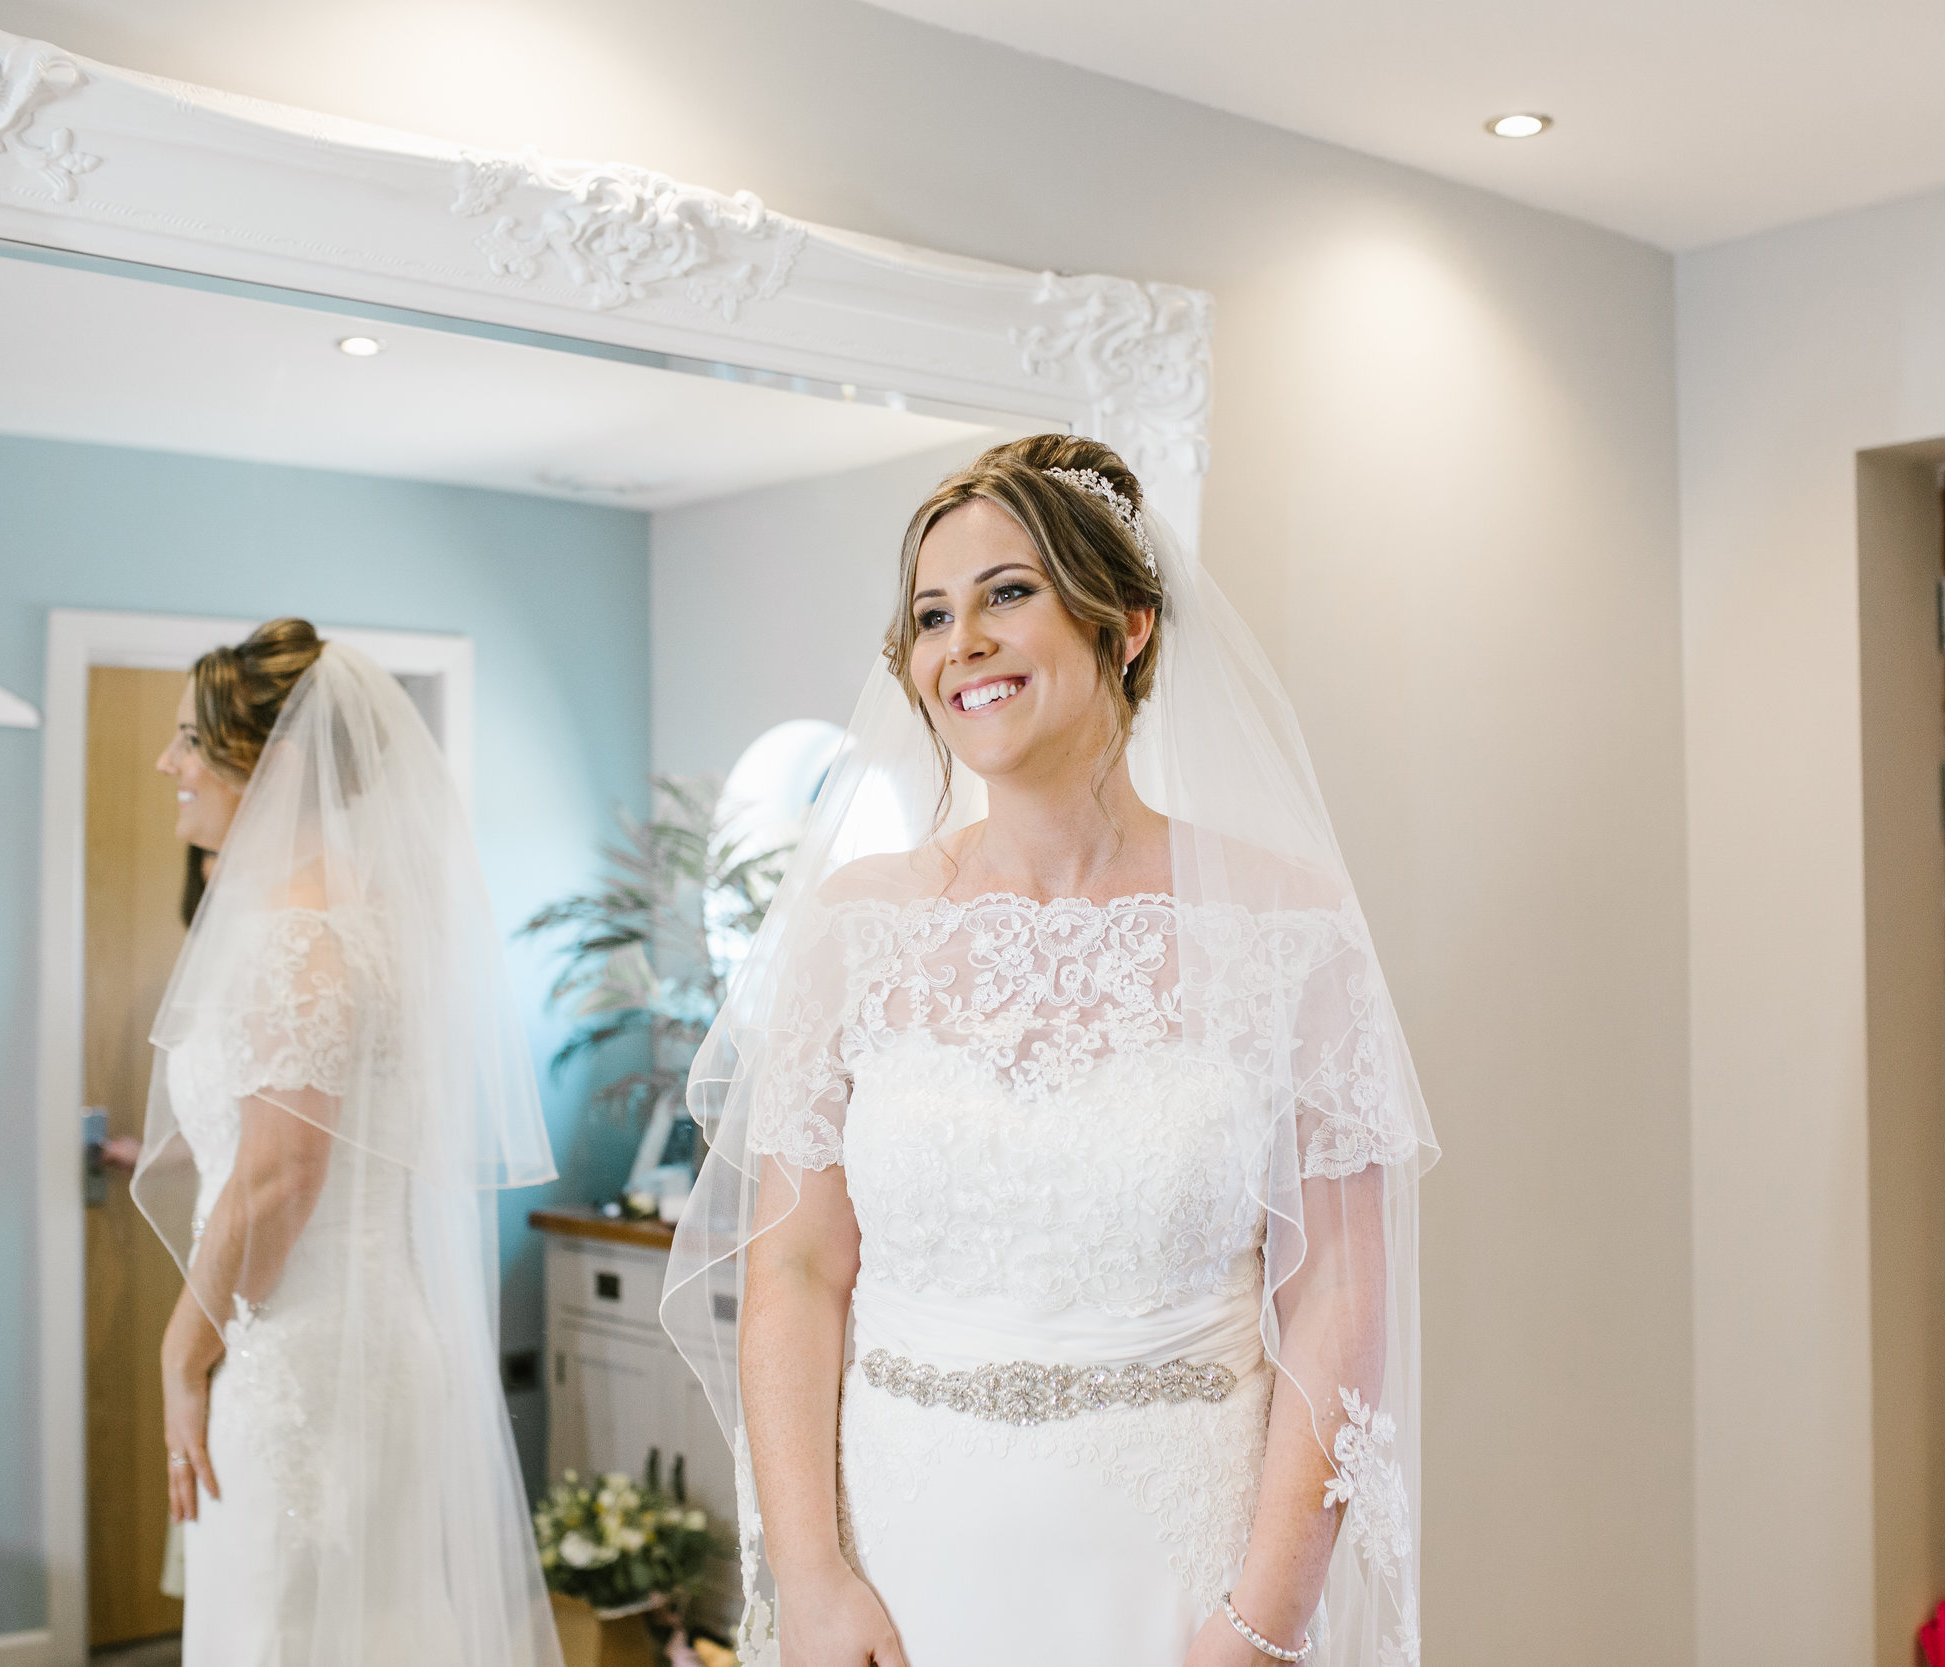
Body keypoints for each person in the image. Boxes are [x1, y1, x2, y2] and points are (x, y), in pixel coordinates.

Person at [663, 438, 1438, 1666]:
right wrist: (809, 1578)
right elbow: (799, 1273)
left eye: (1005, 593)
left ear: (1124, 625)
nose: (958, 640)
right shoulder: (855, 930)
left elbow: (1339, 1293)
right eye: (929, 614)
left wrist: (1264, 1620)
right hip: (901, 1571)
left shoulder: (1285, 932)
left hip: (1178, 1576)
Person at [133, 618, 560, 1667]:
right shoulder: (366, 922)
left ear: (268, 764)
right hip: (367, 1341)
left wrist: (182, 1353)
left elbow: (281, 1175)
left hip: (302, 1355)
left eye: (192, 738)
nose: (169, 763)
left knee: (278, 1634)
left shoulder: (298, 934)